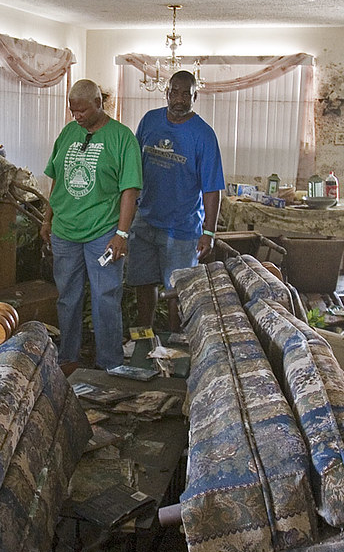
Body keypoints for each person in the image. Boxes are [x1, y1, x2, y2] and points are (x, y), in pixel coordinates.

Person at [41, 79, 142, 370]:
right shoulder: (68, 133)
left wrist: (121, 234)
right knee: (67, 299)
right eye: (73, 111)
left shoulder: (122, 138)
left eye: (83, 111)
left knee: (105, 299)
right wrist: (48, 218)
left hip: (103, 233)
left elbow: (130, 190)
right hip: (65, 232)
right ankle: (68, 358)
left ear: (99, 103)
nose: (77, 116)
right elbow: (57, 179)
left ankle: (109, 364)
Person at [128, 70, 225, 329]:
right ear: (166, 93)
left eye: (186, 94)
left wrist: (209, 232)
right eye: (174, 92)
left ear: (195, 96)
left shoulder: (203, 134)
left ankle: (175, 341)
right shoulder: (150, 121)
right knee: (143, 283)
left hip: (182, 228)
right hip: (145, 220)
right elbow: (133, 168)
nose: (179, 99)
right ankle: (145, 336)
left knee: (178, 291)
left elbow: (212, 189)